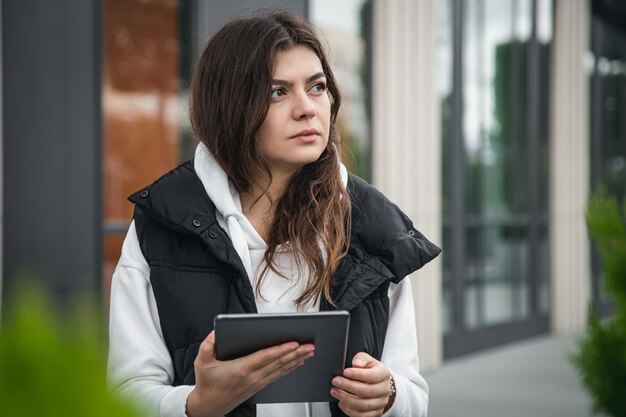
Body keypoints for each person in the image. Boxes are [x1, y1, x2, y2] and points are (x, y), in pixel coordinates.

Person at [107, 10, 440, 417]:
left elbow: (413, 397)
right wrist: (197, 404)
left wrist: (388, 395)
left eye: (316, 87)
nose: (307, 109)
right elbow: (125, 395)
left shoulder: (373, 227)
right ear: (229, 107)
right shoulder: (160, 226)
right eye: (277, 92)